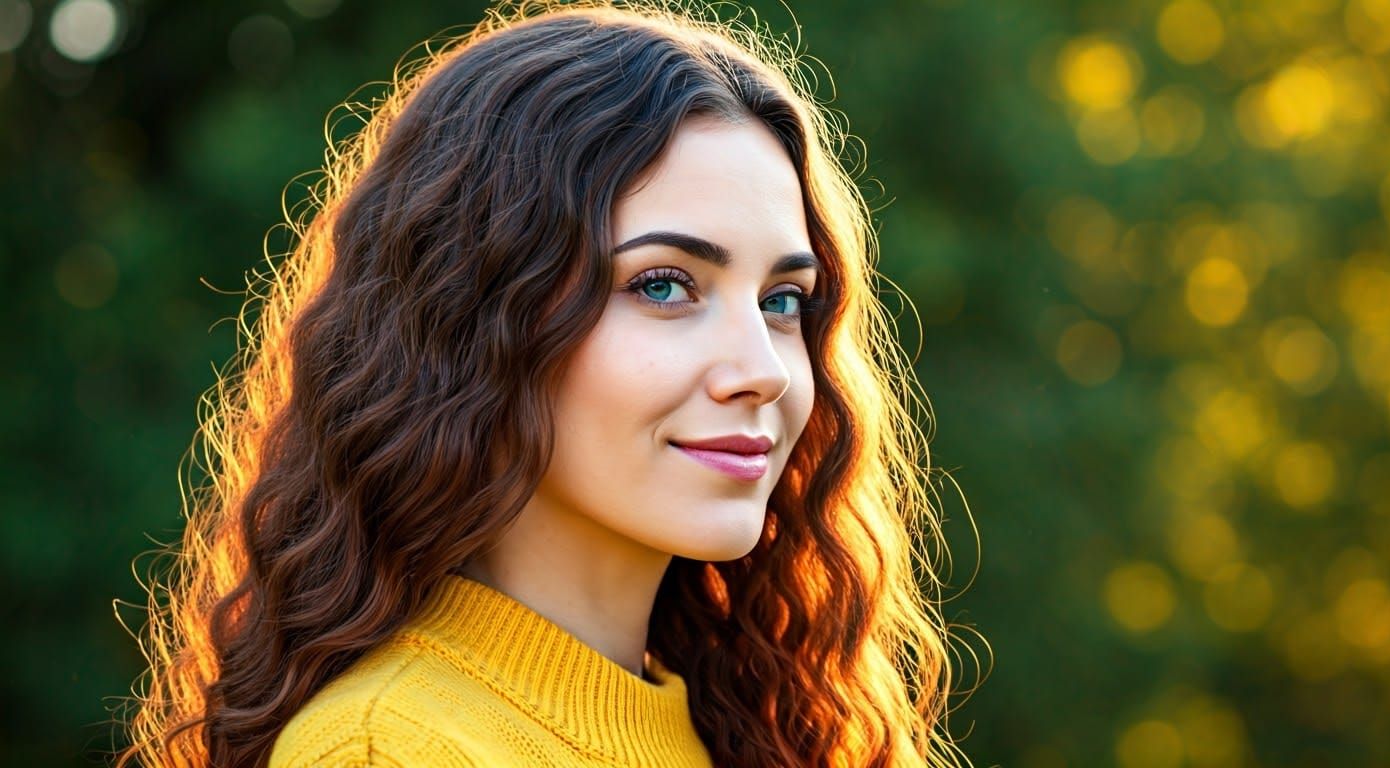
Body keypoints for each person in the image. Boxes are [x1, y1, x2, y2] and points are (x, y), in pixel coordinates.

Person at [115, 1, 978, 766]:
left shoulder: (769, 729)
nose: (761, 370)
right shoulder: (389, 750)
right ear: (472, 316)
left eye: (783, 300)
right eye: (664, 286)